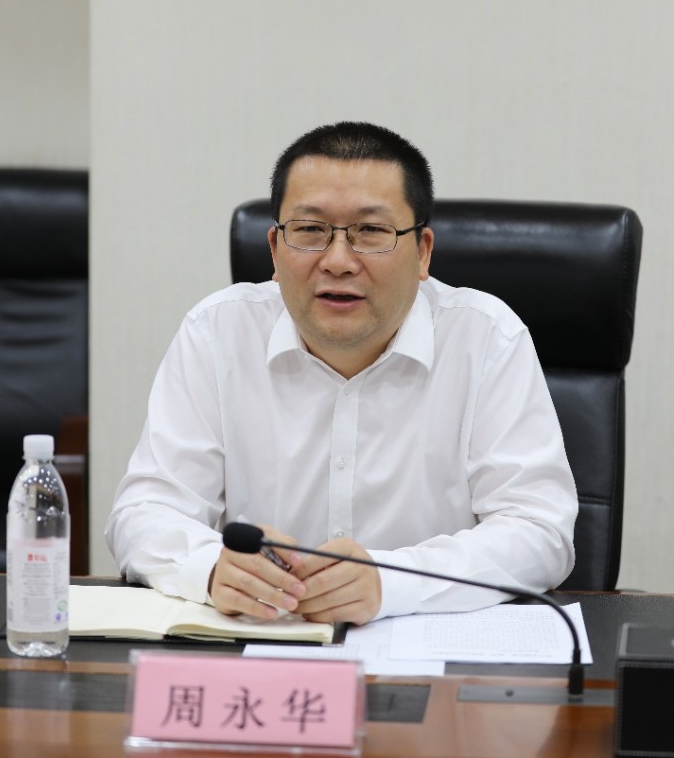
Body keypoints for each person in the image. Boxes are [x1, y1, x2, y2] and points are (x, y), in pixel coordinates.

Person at [106, 122, 577, 626]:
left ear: (422, 251)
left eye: (370, 232)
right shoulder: (217, 332)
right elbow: (144, 511)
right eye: (310, 230)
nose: (337, 261)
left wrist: (392, 581)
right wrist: (211, 568)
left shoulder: (485, 340)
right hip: (263, 644)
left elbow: (539, 530)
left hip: (427, 654)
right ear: (274, 249)